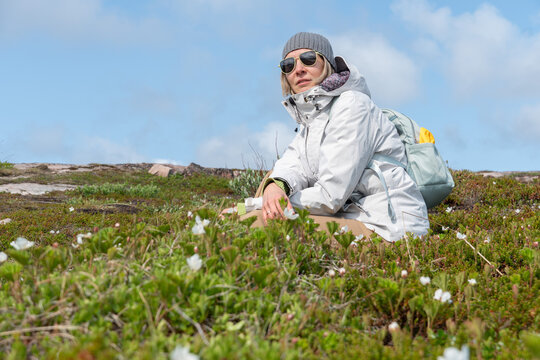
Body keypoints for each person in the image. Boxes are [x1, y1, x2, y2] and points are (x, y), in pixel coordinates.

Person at [236, 32, 429, 242]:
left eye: (309, 59)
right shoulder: (311, 120)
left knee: (255, 224)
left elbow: (331, 196)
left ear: (327, 64)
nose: (299, 69)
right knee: (270, 184)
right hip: (352, 216)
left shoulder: (352, 105)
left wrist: (252, 206)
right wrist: (275, 187)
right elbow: (292, 166)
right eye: (288, 65)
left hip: (388, 227)